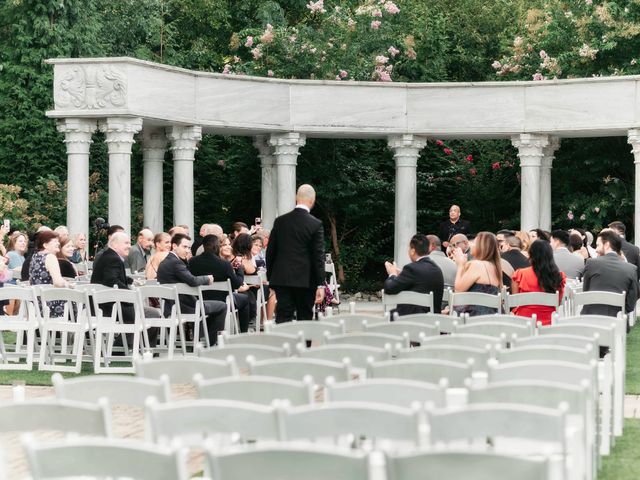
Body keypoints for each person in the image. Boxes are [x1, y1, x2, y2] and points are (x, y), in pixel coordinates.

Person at [266, 184, 325, 323]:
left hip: (282, 278)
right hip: (306, 279)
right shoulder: (315, 224)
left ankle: (284, 344)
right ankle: (303, 345)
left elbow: (271, 252)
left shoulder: (280, 221)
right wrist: (320, 284)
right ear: (312, 200)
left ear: (296, 199)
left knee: (283, 317)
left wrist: (271, 278)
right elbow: (318, 256)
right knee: (305, 318)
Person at [90, 232, 158, 347]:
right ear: (115, 244)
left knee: (143, 312)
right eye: (126, 243)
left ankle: (122, 346)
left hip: (103, 305)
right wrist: (130, 294)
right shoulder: (113, 259)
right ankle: (147, 350)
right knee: (154, 314)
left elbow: (113, 276)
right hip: (110, 307)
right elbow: (111, 280)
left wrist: (130, 281)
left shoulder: (108, 256)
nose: (130, 246)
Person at [157, 233, 227, 343]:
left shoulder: (165, 262)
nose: (187, 250)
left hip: (170, 306)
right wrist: (207, 279)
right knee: (222, 306)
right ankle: (212, 342)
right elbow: (192, 281)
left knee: (210, 304)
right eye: (184, 247)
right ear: (174, 246)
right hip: (185, 306)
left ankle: (201, 337)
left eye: (189, 248)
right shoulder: (176, 263)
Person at [188, 234, 252, 333]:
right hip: (223, 301)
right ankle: (244, 332)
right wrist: (240, 269)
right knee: (245, 298)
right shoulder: (224, 264)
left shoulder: (192, 262)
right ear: (217, 247)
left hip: (200, 300)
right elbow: (237, 284)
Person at [582, 229, 639, 321]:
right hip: (618, 321)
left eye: (598, 245)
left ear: (607, 244)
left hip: (591, 320)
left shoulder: (591, 263)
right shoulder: (631, 269)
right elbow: (631, 305)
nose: (596, 249)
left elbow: (586, 293)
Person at [384, 234, 444, 316]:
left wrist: (392, 274)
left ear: (412, 251)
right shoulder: (437, 269)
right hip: (432, 319)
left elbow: (389, 288)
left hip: (410, 319)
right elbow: (420, 279)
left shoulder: (411, 268)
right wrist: (402, 273)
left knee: (387, 316)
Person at [511, 240, 566, 326]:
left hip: (523, 322)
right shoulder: (558, 276)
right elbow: (557, 302)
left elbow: (514, 302)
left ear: (530, 255)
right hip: (549, 322)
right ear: (550, 255)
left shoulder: (519, 274)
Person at [451, 231, 502, 316]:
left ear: (481, 247)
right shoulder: (494, 267)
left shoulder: (476, 264)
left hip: (476, 317)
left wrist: (460, 264)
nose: (470, 244)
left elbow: (458, 291)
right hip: (493, 315)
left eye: (474, 242)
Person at [29, 231, 69, 317]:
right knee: (81, 302)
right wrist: (68, 284)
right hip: (51, 304)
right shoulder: (50, 257)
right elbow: (58, 283)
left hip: (38, 304)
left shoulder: (35, 256)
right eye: (55, 241)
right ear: (45, 245)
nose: (58, 243)